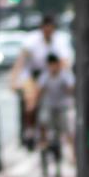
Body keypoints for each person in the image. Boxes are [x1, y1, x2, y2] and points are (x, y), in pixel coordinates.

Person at [11, 17, 69, 148]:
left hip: (51, 76)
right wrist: (13, 80)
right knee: (31, 101)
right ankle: (30, 130)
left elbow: (66, 62)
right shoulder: (31, 41)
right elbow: (20, 62)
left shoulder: (60, 41)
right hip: (33, 76)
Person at [36, 54, 76, 177]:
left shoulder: (65, 75)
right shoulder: (45, 76)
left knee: (68, 131)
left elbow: (71, 88)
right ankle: (43, 148)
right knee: (44, 126)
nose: (52, 68)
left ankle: (73, 156)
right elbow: (39, 91)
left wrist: (70, 88)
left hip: (62, 108)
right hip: (49, 108)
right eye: (50, 65)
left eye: (54, 65)